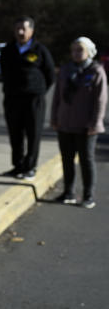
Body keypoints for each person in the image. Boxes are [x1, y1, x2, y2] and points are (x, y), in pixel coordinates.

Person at [51, 37, 106, 208]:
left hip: (86, 126)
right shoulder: (66, 70)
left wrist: (95, 123)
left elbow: (101, 100)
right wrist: (54, 118)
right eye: (74, 50)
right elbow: (57, 96)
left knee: (86, 160)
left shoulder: (96, 71)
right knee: (67, 159)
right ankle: (68, 192)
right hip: (65, 123)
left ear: (89, 52)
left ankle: (88, 195)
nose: (76, 53)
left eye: (80, 50)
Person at [0, 16, 56, 180]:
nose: (20, 32)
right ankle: (17, 165)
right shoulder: (8, 49)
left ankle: (30, 167)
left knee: (33, 134)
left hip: (34, 99)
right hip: (12, 99)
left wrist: (39, 90)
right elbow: (3, 71)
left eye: (24, 29)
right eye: (17, 29)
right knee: (15, 133)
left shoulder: (40, 50)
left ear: (32, 30)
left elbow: (50, 74)